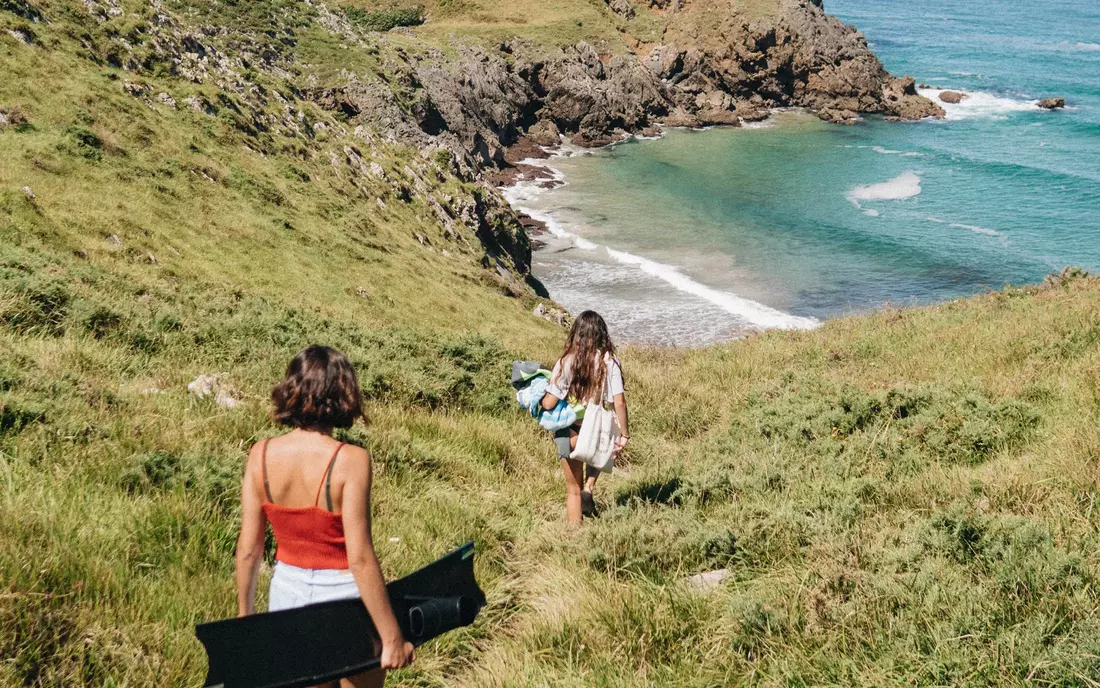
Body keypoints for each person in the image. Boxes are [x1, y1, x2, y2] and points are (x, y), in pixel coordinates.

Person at [235, 345, 414, 688]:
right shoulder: (352, 460)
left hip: (287, 596)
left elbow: (248, 549)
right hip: (345, 604)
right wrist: (392, 637)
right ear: (344, 393)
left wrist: (245, 619)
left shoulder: (260, 454)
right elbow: (359, 558)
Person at [541, 311, 629, 525]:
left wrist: (540, 399)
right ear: (601, 334)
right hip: (596, 429)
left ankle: (573, 535)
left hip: (569, 431)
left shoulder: (566, 361)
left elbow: (549, 403)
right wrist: (625, 434)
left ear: (576, 333)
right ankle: (589, 487)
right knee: (597, 449)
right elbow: (619, 402)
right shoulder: (610, 362)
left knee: (572, 490)